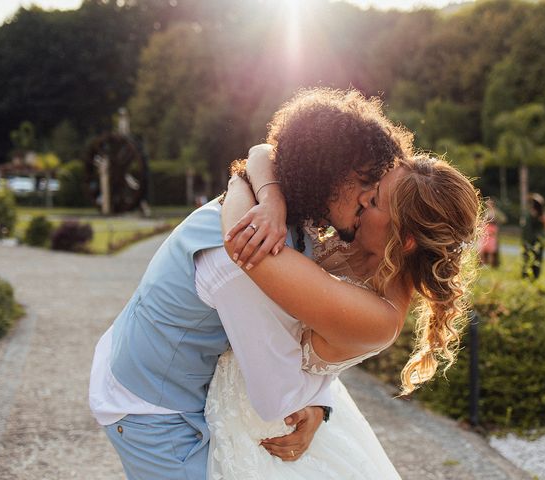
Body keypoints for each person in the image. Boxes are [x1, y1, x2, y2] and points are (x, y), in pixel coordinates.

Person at [88, 87, 409, 479]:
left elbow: (263, 154)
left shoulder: (288, 215)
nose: (367, 200)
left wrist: (260, 190)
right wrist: (314, 403)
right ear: (327, 172)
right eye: (365, 189)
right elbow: (276, 394)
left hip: (182, 386)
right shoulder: (256, 250)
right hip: (150, 408)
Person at [205, 148, 482, 478]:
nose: (363, 198)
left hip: (264, 422)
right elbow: (264, 151)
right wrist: (271, 196)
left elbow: (247, 245)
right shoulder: (365, 243)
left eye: (375, 200)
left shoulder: (380, 316)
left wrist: (239, 183)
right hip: (242, 389)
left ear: (406, 240)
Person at [521, 193, 545, 280]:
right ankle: (525, 275)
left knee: (536, 259)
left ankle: (534, 276)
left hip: (537, 241)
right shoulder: (528, 214)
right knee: (527, 258)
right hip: (528, 241)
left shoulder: (543, 215)